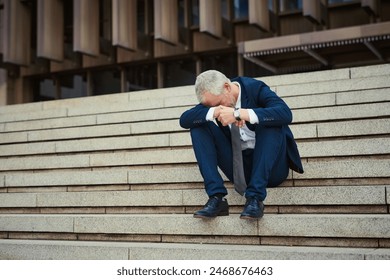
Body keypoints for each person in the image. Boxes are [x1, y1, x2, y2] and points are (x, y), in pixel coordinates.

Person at [179, 70, 304, 219]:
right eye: (214, 106)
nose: (219, 108)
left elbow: (285, 113)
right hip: (240, 170)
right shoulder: (214, 99)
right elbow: (184, 120)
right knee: (198, 126)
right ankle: (216, 197)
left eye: (219, 104)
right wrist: (214, 111)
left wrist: (241, 114)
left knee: (270, 120)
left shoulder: (255, 88)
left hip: (272, 168)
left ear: (227, 87)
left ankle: (255, 198)